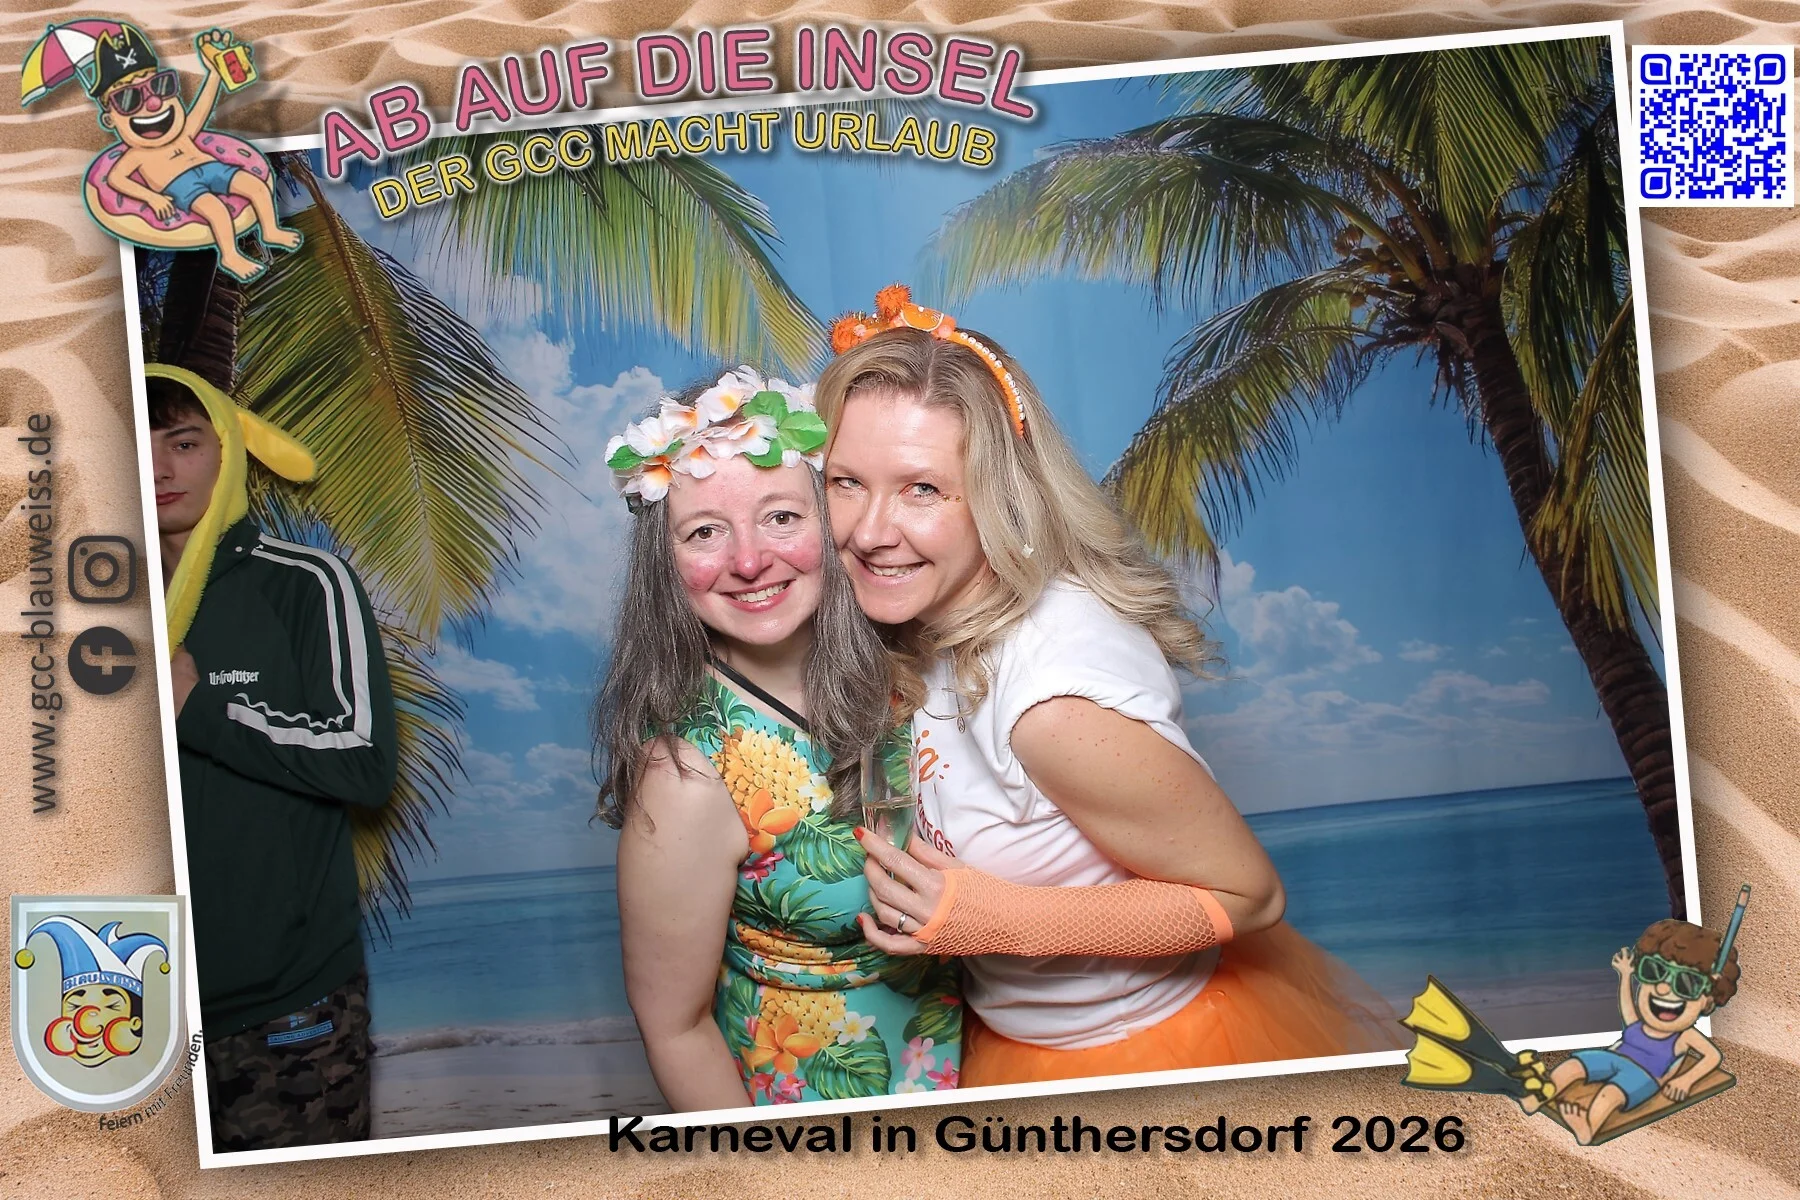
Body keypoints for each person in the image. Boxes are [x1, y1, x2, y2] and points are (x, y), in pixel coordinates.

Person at [816, 286, 1396, 1086]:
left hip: (1143, 1056)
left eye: (923, 489)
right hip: (1009, 1039)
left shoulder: (1051, 704)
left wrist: (1003, 920)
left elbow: (1250, 896)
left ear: (999, 495)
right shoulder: (925, 615)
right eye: (846, 482)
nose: (870, 531)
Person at [595, 368, 962, 1110]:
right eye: (704, 532)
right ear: (666, 563)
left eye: (782, 517)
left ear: (830, 523)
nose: (749, 560)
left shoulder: (908, 671)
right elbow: (674, 1029)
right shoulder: (688, 774)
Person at [148, 364, 396, 1150]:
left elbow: (364, 760)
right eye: (136, 444)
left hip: (286, 1002)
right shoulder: (72, 612)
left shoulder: (303, 583)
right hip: (125, 1004)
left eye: (184, 442)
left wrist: (198, 705)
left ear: (227, 454)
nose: (158, 467)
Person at [90, 25, 301, 281]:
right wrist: (152, 197)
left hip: (213, 167)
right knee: (216, 210)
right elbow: (116, 179)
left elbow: (202, 108)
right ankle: (230, 256)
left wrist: (214, 73)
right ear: (110, 119)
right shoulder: (136, 154)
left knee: (256, 187)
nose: (153, 103)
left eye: (160, 85)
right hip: (181, 184)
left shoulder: (183, 132)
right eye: (128, 99)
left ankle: (270, 230)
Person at [1528, 917, 1737, 1143]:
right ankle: (1537, 1097)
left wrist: (1685, 1080)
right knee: (1572, 1066)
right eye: (1654, 971)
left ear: (1707, 1001)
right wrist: (1626, 975)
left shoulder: (1684, 1036)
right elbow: (1627, 1006)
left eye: (1686, 983)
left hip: (1644, 1075)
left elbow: (1712, 1056)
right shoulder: (1640, 1024)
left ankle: (1588, 1128)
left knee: (1610, 1094)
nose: (1663, 988)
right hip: (1614, 1058)